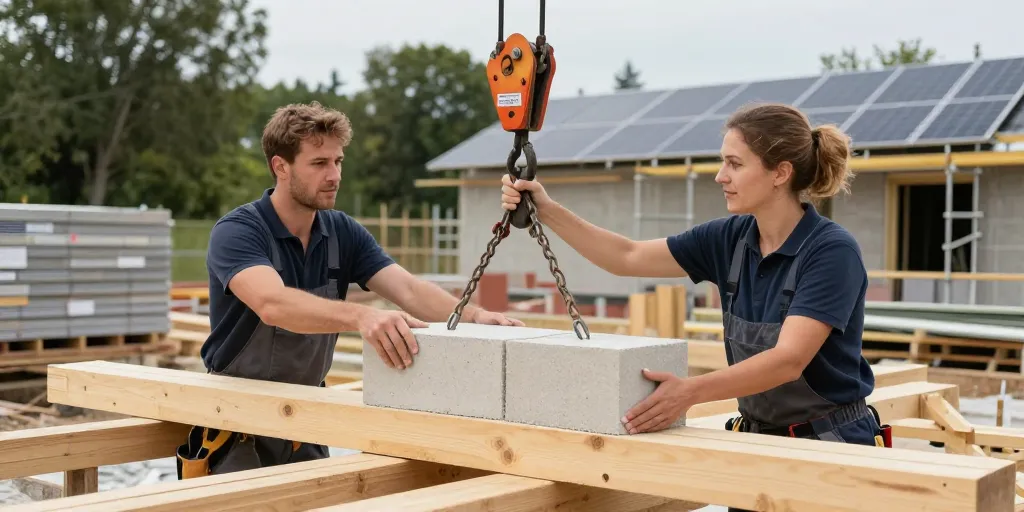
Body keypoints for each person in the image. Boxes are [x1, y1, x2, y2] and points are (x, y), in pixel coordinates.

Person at [500, 102, 883, 453]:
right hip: (758, 442)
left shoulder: (831, 251)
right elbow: (626, 257)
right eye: (722, 162)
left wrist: (688, 392)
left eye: (735, 164)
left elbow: (787, 360)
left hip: (832, 446)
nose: (720, 176)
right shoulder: (729, 239)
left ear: (780, 172)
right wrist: (546, 210)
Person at [176, 101, 522, 479]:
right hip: (238, 425)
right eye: (319, 163)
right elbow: (273, 304)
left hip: (305, 422)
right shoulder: (239, 231)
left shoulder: (342, 232)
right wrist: (361, 315)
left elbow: (406, 288)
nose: (334, 175)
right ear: (281, 166)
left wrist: (473, 316)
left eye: (338, 161)